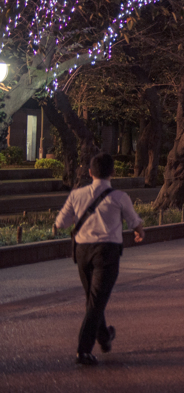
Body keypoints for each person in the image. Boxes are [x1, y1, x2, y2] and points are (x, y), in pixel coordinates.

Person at [55, 153, 145, 366]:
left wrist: (57, 225)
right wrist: (139, 232)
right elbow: (134, 221)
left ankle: (104, 336)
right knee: (95, 301)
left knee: (93, 299)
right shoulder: (119, 197)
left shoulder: (77, 195)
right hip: (107, 252)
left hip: (82, 252)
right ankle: (83, 350)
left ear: (90, 172)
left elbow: (61, 222)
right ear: (112, 173)